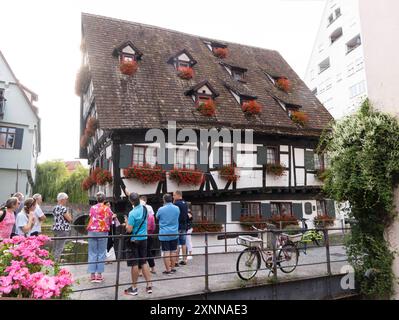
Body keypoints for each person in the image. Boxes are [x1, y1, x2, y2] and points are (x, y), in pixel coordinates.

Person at [124, 192, 152, 296]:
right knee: (144, 262)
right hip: (144, 238)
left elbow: (129, 229)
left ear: (131, 201)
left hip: (135, 240)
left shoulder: (132, 213)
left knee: (135, 263)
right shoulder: (145, 209)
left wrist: (126, 222)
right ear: (139, 199)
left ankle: (134, 288)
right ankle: (149, 285)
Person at [87, 192, 116, 283]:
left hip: (92, 232)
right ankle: (99, 275)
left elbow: (91, 217)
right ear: (104, 199)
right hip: (103, 232)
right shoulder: (107, 208)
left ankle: (92, 275)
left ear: (96, 199)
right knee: (101, 253)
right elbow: (111, 220)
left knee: (92, 252)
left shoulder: (92, 208)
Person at [156, 193, 180, 275]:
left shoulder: (161, 209)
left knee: (166, 251)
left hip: (164, 233)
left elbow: (157, 217)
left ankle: (168, 270)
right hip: (174, 232)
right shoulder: (177, 208)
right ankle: (173, 268)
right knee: (173, 251)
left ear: (164, 200)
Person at [52, 193, 73, 262]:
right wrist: (69, 214)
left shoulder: (55, 208)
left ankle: (51, 263)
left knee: (55, 247)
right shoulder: (63, 208)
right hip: (63, 229)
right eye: (66, 199)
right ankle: (56, 263)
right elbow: (70, 219)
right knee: (59, 248)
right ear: (62, 200)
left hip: (56, 229)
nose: (66, 201)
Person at [138, 196, 156, 275]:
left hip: (141, 233)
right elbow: (153, 220)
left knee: (140, 252)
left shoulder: (137, 208)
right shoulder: (150, 208)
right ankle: (153, 268)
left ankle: (140, 271)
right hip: (149, 233)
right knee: (148, 251)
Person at [173, 190, 189, 266]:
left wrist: (173, 202)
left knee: (177, 244)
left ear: (178, 195)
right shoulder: (185, 203)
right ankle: (185, 260)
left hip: (177, 225)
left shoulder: (176, 204)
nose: (173, 197)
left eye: (174, 195)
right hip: (184, 226)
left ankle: (176, 261)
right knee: (183, 243)